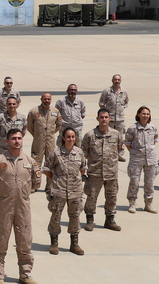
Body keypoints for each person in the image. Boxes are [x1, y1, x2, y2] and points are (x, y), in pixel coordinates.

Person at [0, 128, 41, 284]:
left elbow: (36, 183)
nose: (17, 141)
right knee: (0, 240)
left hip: (23, 207)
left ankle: (25, 273)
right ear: (7, 141)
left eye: (19, 138)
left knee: (24, 241)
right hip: (4, 206)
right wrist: (4, 190)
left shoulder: (30, 161)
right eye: (13, 138)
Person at [44, 128, 87, 256]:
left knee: (75, 217)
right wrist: (56, 179)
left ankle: (74, 244)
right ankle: (54, 244)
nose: (71, 139)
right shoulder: (56, 152)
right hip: (59, 190)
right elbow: (46, 169)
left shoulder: (79, 152)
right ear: (63, 138)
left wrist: (76, 180)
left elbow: (83, 169)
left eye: (73, 137)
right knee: (56, 216)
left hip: (75, 191)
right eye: (68, 137)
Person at [81, 109, 123, 232]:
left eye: (106, 117)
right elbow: (83, 152)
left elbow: (120, 149)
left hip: (111, 173)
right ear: (97, 119)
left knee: (112, 197)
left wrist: (111, 160)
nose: (104, 119)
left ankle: (110, 220)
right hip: (95, 173)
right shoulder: (90, 135)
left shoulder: (116, 134)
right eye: (101, 117)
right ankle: (89, 220)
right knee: (91, 197)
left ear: (109, 119)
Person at [125, 106, 159, 214]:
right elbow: (128, 144)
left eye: (147, 114)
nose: (146, 116)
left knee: (150, 182)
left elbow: (155, 140)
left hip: (151, 159)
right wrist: (136, 153)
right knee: (134, 181)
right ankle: (132, 202)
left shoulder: (153, 127)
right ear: (138, 114)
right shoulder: (132, 128)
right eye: (143, 114)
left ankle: (148, 203)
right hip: (136, 159)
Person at [26, 93, 61, 190]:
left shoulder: (55, 111)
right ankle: (34, 185)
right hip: (38, 141)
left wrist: (50, 133)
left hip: (50, 141)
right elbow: (29, 126)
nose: (47, 101)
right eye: (45, 99)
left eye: (49, 99)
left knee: (51, 163)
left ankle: (49, 187)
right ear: (41, 99)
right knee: (35, 163)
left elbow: (58, 125)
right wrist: (37, 134)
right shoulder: (34, 111)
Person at [98, 75, 129, 161]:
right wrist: (106, 115)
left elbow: (126, 102)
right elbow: (101, 104)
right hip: (110, 120)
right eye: (115, 79)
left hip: (120, 119)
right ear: (112, 80)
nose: (117, 81)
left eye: (118, 79)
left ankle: (119, 155)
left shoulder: (124, 92)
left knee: (120, 138)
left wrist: (120, 109)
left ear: (121, 81)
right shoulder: (107, 91)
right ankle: (108, 154)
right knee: (108, 137)